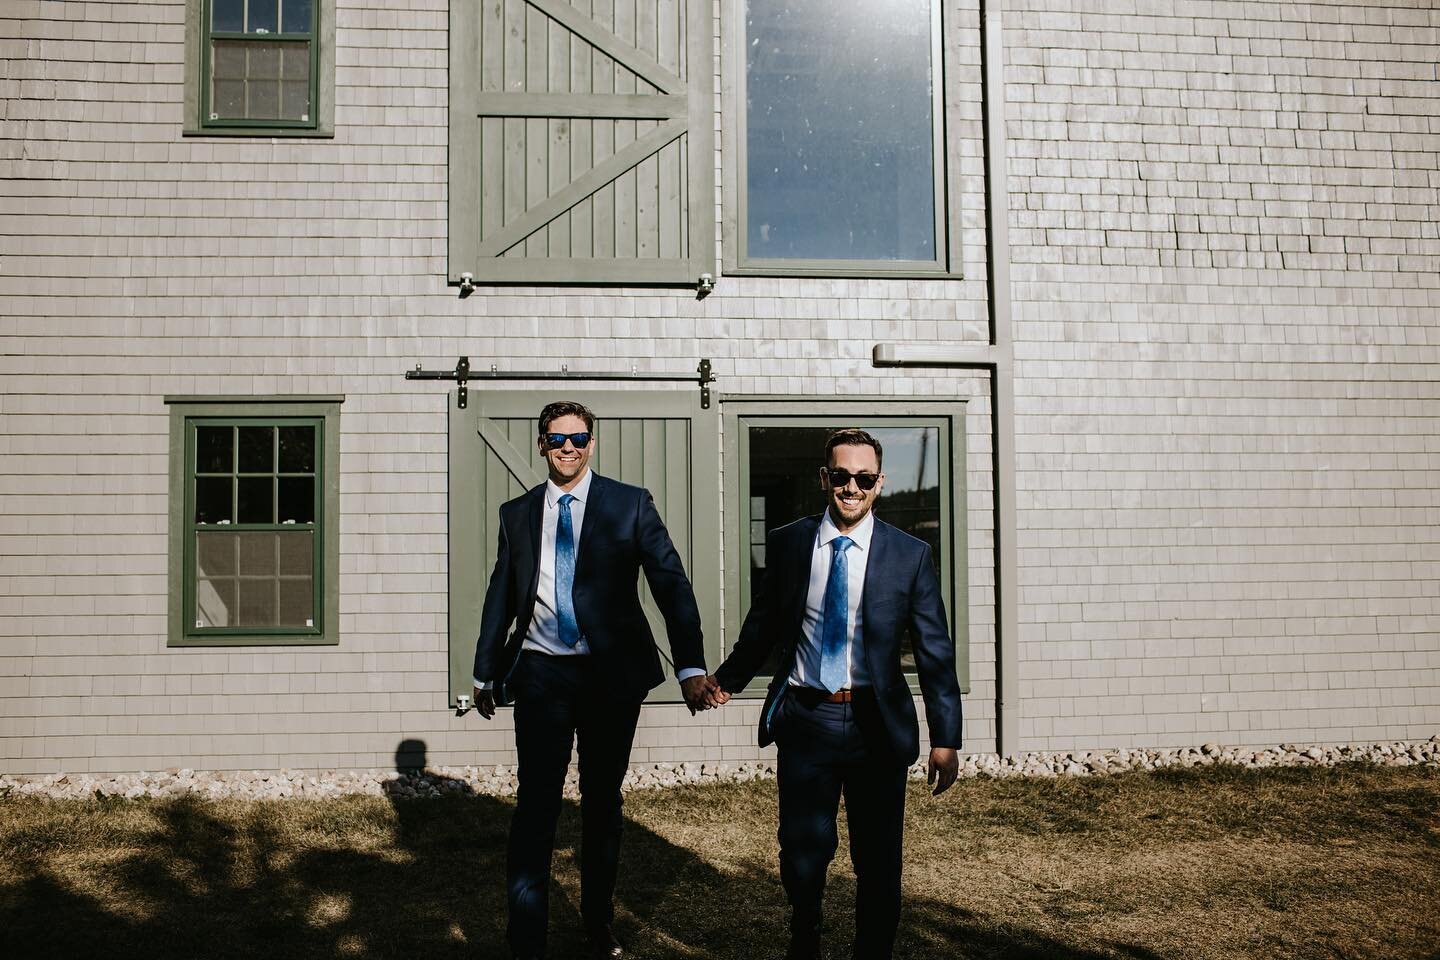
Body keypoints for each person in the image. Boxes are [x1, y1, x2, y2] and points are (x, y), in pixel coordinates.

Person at [706, 428, 963, 960]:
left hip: (876, 726)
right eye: (841, 476)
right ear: (825, 478)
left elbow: (935, 651)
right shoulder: (791, 542)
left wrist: (946, 737)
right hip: (807, 719)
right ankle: (805, 936)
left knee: (878, 860)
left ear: (879, 483)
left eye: (864, 478)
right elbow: (764, 626)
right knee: (802, 852)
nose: (852, 487)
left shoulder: (909, 555)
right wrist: (726, 680)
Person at [472, 400, 715, 960]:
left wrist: (691, 667)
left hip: (609, 678)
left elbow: (671, 585)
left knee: (602, 803)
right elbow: (500, 597)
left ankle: (597, 923)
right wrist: (485, 671)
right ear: (541, 445)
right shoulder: (517, 513)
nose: (568, 448)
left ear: (592, 443)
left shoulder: (629, 505)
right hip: (539, 674)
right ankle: (526, 934)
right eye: (557, 439)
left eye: (578, 438)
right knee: (535, 804)